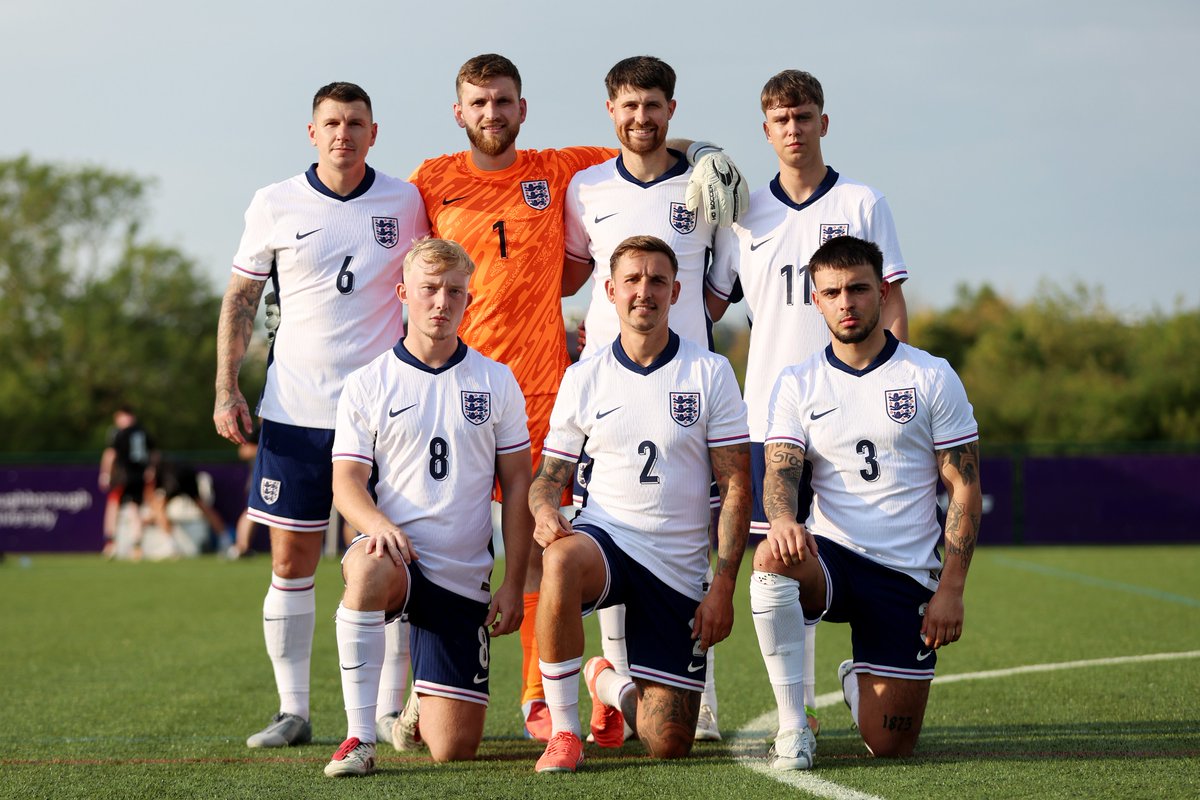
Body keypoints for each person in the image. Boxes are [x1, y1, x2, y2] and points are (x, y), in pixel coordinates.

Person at [407, 53, 745, 742]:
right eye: (479, 102)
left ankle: (557, 695)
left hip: (551, 383)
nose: (492, 113)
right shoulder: (431, 180)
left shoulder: (559, 170)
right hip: (466, 385)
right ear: (459, 111)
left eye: (503, 101)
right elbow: (411, 274)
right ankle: (405, 696)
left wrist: (707, 148)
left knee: (601, 533)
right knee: (424, 531)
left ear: (522, 108)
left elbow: (647, 141)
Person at [213, 81, 429, 749]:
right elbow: (241, 299)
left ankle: (390, 714)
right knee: (290, 559)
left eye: (355, 123)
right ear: (313, 132)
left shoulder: (406, 200)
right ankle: (294, 710)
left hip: (384, 416)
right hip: (295, 411)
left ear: (373, 132)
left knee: (387, 558)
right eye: (332, 122)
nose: (343, 133)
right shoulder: (274, 202)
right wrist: (227, 386)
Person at [704, 69, 912, 732]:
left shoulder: (861, 201)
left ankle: (831, 691)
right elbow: (707, 305)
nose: (793, 130)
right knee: (779, 556)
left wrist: (888, 390)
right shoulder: (743, 213)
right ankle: (787, 709)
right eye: (780, 120)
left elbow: (895, 301)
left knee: (840, 548)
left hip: (849, 417)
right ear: (765, 131)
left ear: (824, 122)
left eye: (803, 117)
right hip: (768, 415)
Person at [749, 235, 981, 769]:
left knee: (890, 746)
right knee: (770, 560)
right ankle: (792, 727)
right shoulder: (798, 382)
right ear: (816, 301)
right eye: (831, 292)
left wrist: (952, 590)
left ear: (882, 292)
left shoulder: (930, 375)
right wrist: (783, 520)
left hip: (906, 575)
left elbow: (963, 485)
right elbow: (781, 471)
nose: (845, 303)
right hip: (834, 558)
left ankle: (860, 679)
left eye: (857, 289)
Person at [528, 236, 751, 773]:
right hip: (607, 539)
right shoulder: (585, 375)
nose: (643, 292)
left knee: (669, 740)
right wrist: (543, 511)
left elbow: (737, 486)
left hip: (676, 566)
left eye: (656, 281)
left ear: (676, 291)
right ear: (610, 291)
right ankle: (563, 732)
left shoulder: (710, 372)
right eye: (631, 280)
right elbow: (547, 478)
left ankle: (607, 681)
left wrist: (722, 586)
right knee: (558, 558)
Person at [561, 54, 730, 740]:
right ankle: (613, 680)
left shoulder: (705, 181)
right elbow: (571, 273)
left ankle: (700, 694)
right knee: (612, 518)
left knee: (692, 529)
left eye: (653, 105)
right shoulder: (585, 187)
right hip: (609, 381)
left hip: (690, 381)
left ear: (671, 110)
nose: (641, 118)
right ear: (610, 111)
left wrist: (692, 330)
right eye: (628, 106)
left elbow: (721, 283)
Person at [322, 239, 532, 777]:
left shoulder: (496, 380)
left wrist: (513, 581)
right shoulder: (369, 382)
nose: (442, 302)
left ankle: (422, 700)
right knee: (367, 566)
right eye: (429, 290)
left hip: (463, 579)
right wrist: (377, 525)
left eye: (454, 292)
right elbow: (346, 482)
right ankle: (359, 738)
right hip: (398, 559)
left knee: (453, 750)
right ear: (403, 294)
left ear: (469, 299)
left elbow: (516, 486)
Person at [98, 406, 158, 560]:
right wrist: (151, 469)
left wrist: (105, 474)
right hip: (139, 476)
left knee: (114, 506)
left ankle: (111, 544)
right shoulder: (143, 431)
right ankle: (136, 547)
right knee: (134, 508)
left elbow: (111, 454)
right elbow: (154, 453)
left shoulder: (119, 432)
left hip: (123, 476)